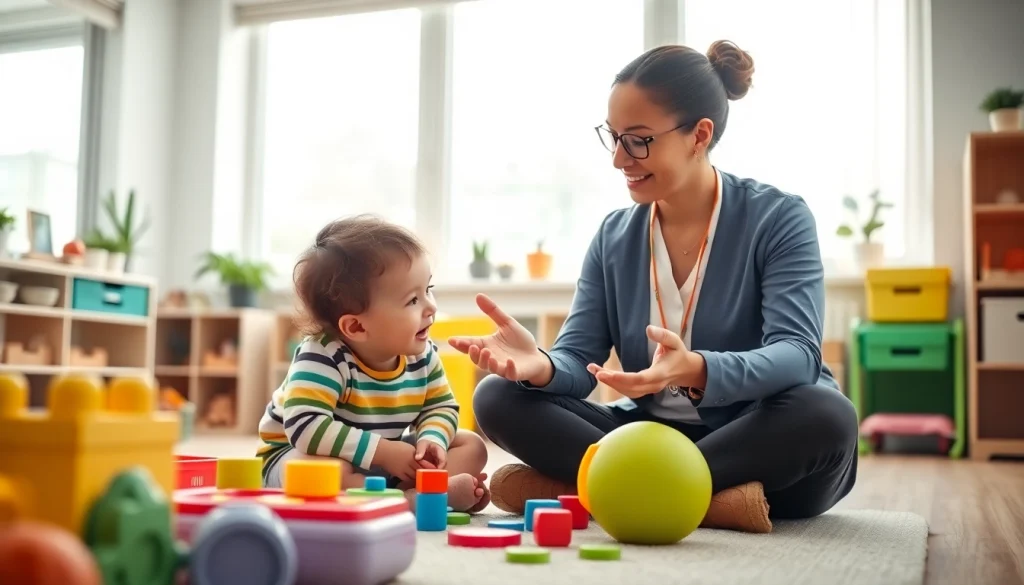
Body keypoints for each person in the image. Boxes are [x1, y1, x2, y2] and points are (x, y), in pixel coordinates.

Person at [448, 40, 859, 533]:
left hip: (753, 436)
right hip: (647, 435)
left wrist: (699, 370)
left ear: (699, 135)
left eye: (639, 140)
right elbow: (579, 363)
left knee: (827, 414)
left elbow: (797, 355)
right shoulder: (614, 235)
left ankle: (598, 487)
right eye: (614, 137)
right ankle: (701, 498)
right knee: (498, 396)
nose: (620, 159)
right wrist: (540, 367)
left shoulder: (778, 217)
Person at [256, 216, 490, 513]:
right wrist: (384, 452)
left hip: (384, 461)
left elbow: (440, 408)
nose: (431, 307)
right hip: (301, 457)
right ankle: (413, 501)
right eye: (412, 301)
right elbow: (306, 427)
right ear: (356, 327)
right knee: (323, 470)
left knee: (471, 445)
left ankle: (415, 493)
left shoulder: (422, 354)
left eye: (428, 289)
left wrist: (432, 440)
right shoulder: (322, 355)